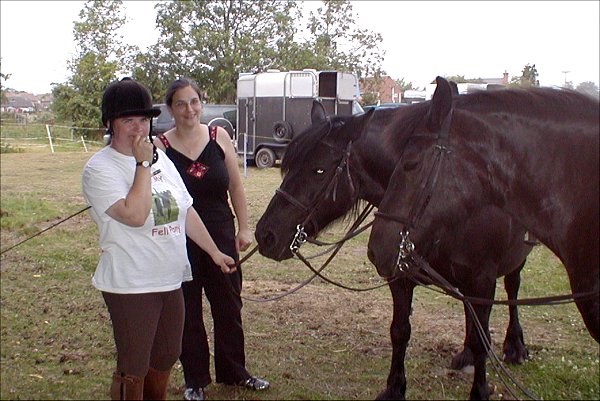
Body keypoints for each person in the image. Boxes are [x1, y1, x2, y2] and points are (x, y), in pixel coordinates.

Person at [82, 77, 236, 400]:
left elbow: (184, 209)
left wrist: (213, 252)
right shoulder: (100, 169)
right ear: (110, 123)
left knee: (166, 356)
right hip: (132, 283)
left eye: (144, 120)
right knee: (133, 365)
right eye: (129, 121)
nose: (139, 128)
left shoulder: (160, 159)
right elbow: (135, 215)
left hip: (170, 277)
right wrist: (141, 163)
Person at [154, 77, 269, 401]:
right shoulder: (160, 146)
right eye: (181, 103)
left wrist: (244, 229)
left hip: (220, 234)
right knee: (188, 312)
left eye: (194, 101)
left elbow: (235, 186)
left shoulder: (219, 137)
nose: (189, 109)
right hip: (181, 240)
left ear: (201, 103)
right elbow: (160, 197)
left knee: (228, 307)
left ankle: (235, 372)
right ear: (170, 109)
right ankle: (195, 380)